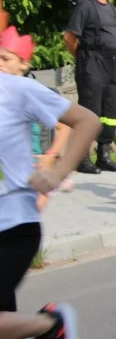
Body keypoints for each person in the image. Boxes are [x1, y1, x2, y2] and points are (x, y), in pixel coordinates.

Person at [0, 26, 101, 339]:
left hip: (12, 226)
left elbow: (87, 122)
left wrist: (57, 173)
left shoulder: (15, 89)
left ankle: (49, 325)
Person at [0, 28, 74, 211]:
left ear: (23, 64)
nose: (0, 64)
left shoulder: (30, 92)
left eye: (6, 59)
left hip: (32, 167)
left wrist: (51, 157)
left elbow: (64, 126)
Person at [63, 0, 116, 174]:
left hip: (110, 64)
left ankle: (104, 155)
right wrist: (83, 59)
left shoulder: (110, 7)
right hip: (91, 62)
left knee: (110, 111)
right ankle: (81, 159)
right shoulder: (85, 6)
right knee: (90, 111)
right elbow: (69, 38)